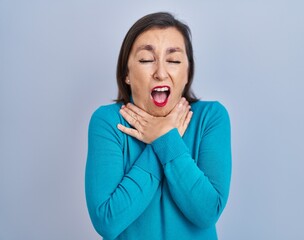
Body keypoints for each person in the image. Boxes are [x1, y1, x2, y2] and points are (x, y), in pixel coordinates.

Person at [85, 12, 232, 240]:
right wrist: (165, 139)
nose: (161, 73)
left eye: (173, 61)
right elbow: (107, 221)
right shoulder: (108, 122)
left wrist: (163, 136)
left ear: (187, 72)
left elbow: (207, 212)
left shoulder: (211, 117)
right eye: (146, 60)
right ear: (127, 74)